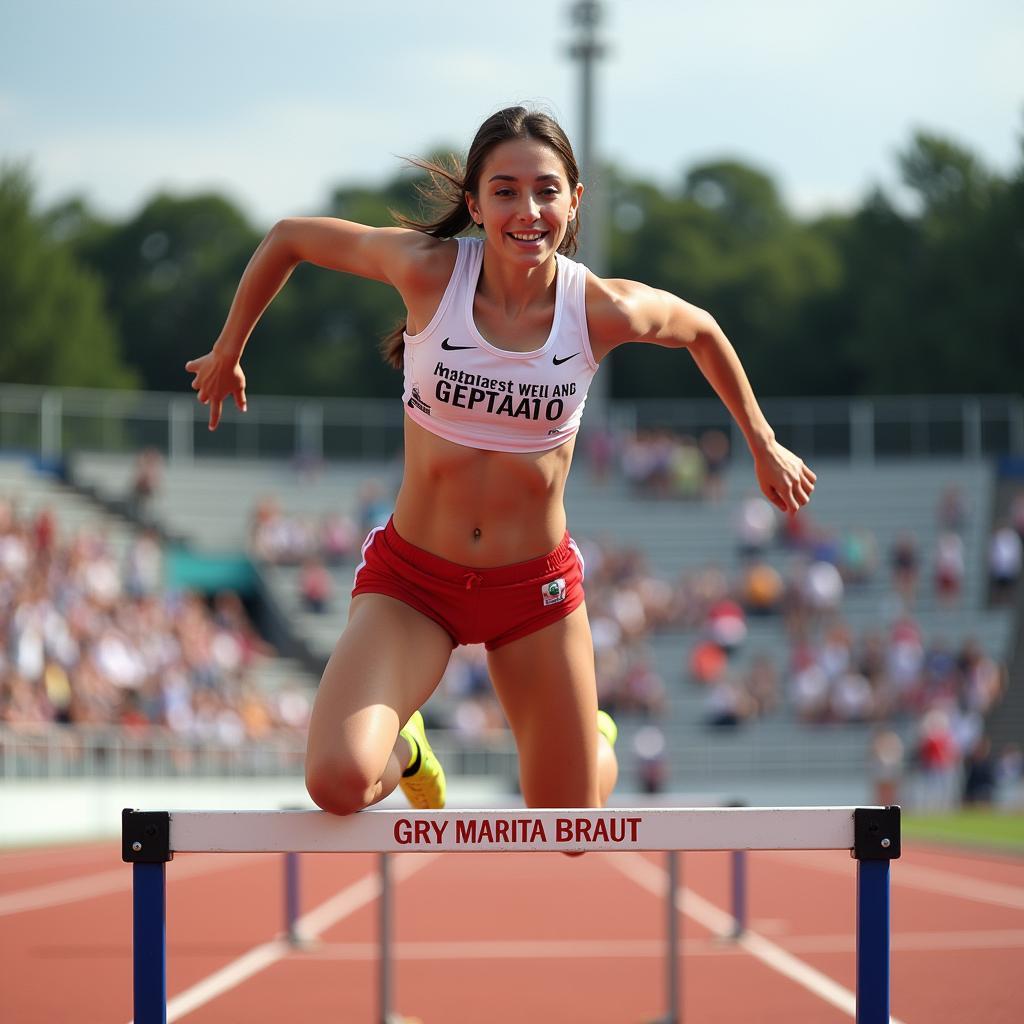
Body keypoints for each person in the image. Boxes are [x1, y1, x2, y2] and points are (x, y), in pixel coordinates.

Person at [185, 107, 816, 817]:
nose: (528, 211)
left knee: (571, 824)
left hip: (533, 596)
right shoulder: (428, 274)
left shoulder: (600, 309)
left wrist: (761, 441)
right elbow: (290, 238)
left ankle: (592, 738)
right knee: (335, 783)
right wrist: (229, 347)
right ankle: (411, 750)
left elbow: (700, 329)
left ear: (575, 201)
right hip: (414, 586)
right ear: (476, 204)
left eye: (547, 190)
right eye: (506, 190)